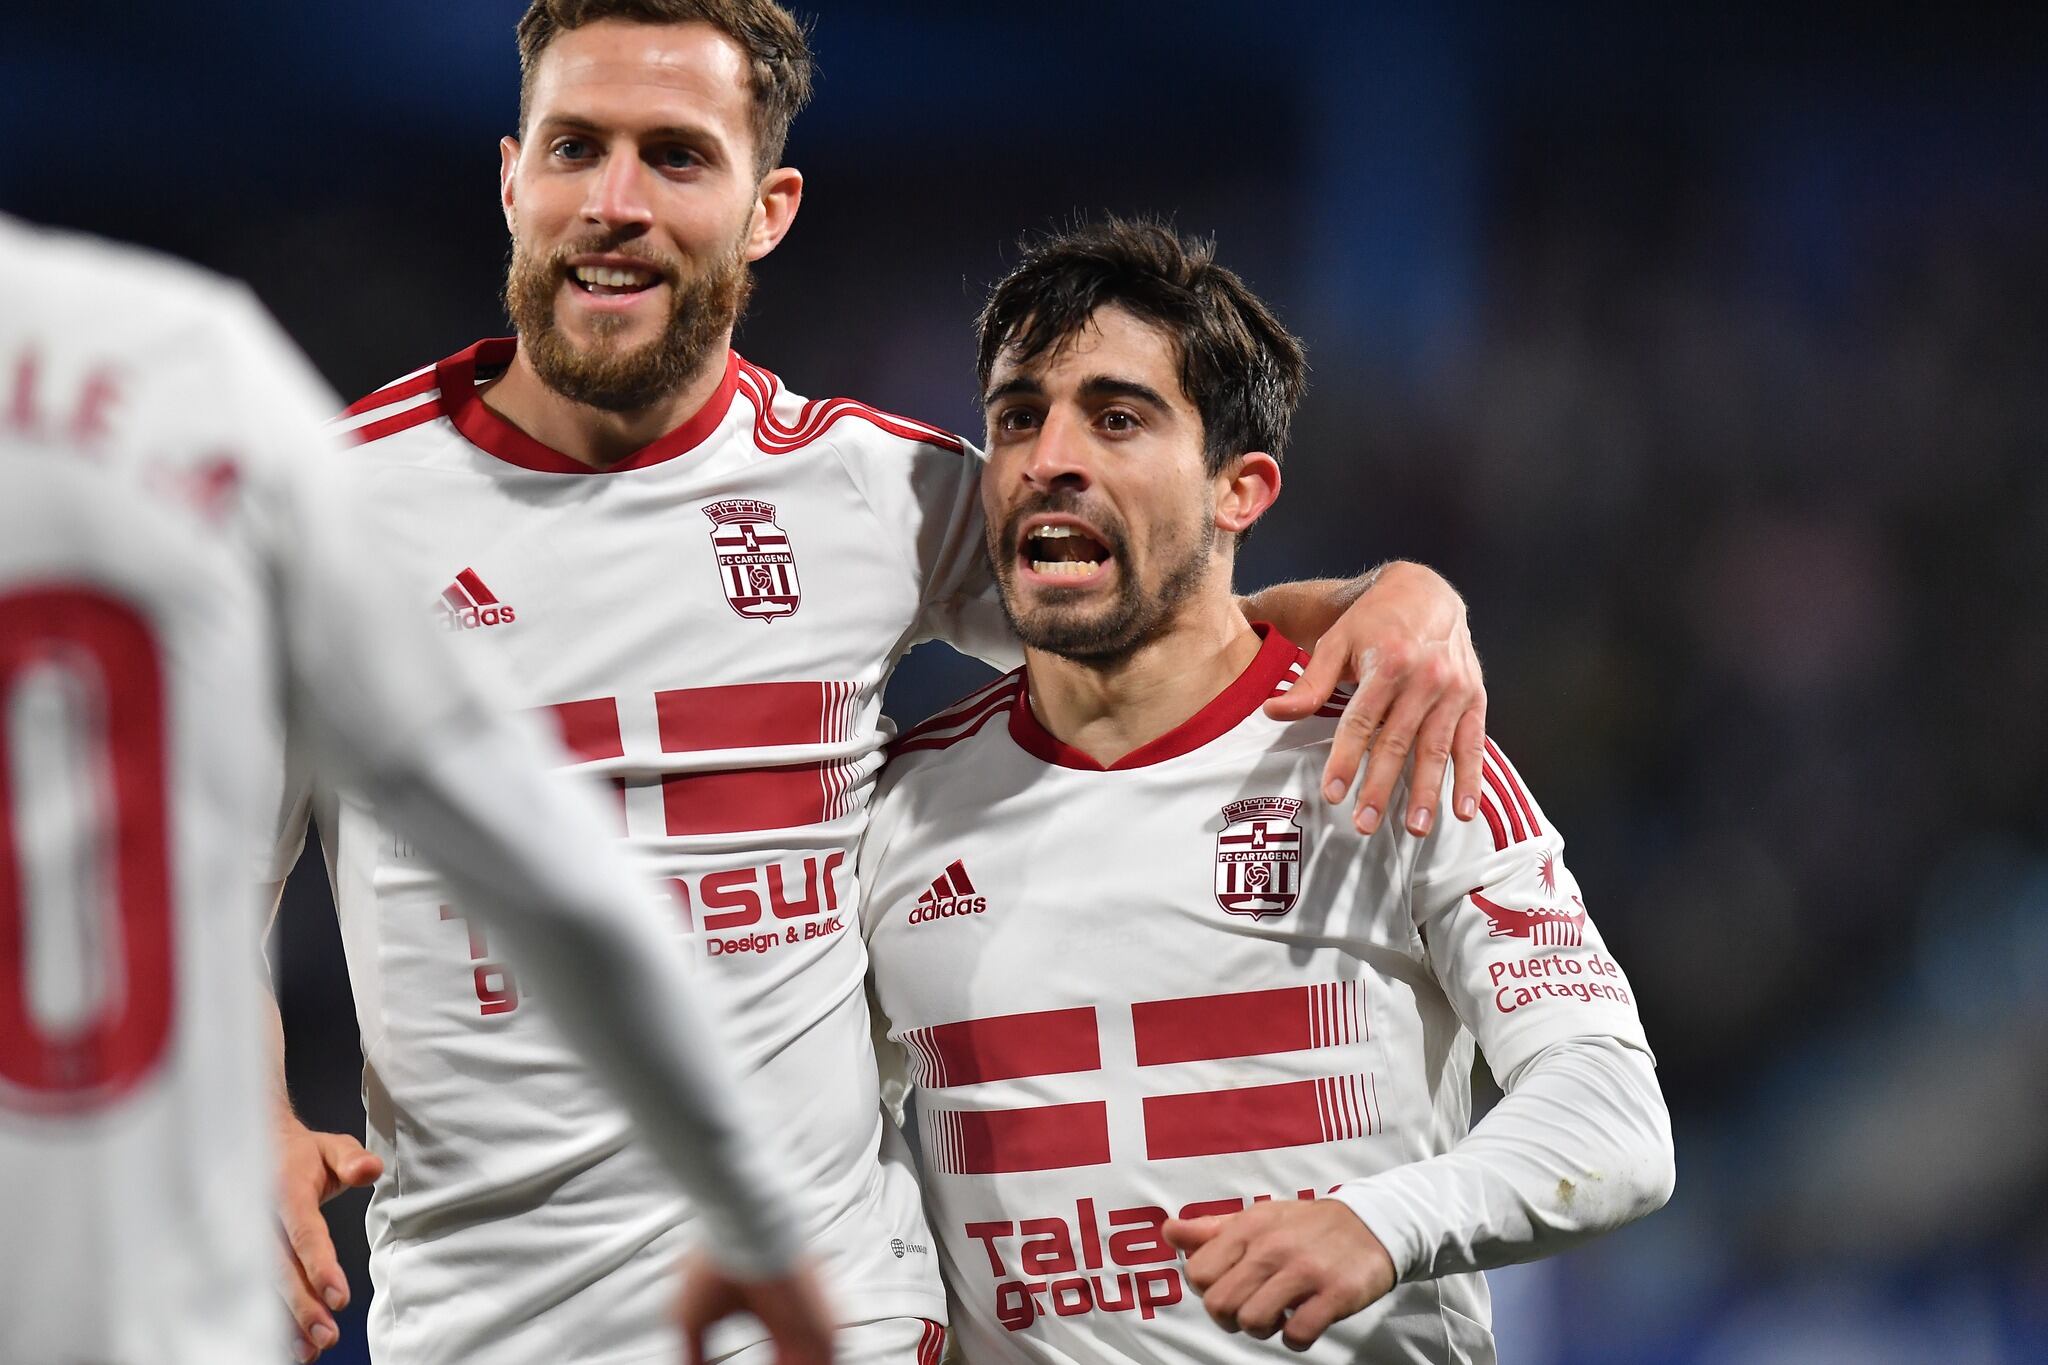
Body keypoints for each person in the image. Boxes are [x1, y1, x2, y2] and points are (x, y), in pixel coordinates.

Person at [275, 3, 1491, 1361]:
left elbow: (1157, 604)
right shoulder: (319, 509)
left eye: (677, 158)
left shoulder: (874, 491)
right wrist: (245, 1110)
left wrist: (1396, 597)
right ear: (513, 177)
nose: (613, 203)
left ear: (767, 208)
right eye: (576, 149)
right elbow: (183, 848)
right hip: (490, 1323)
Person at [0, 215, 832, 1365]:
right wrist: (747, 1208)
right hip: (129, 1306)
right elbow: (540, 863)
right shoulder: (183, 369)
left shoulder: (864, 484)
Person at [858, 219, 1675, 1364]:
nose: (1049, 455)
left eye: (1116, 416)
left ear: (1238, 489)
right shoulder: (889, 814)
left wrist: (1378, 1225)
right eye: (1014, 417)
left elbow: (1612, 1115)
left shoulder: (1398, 743)